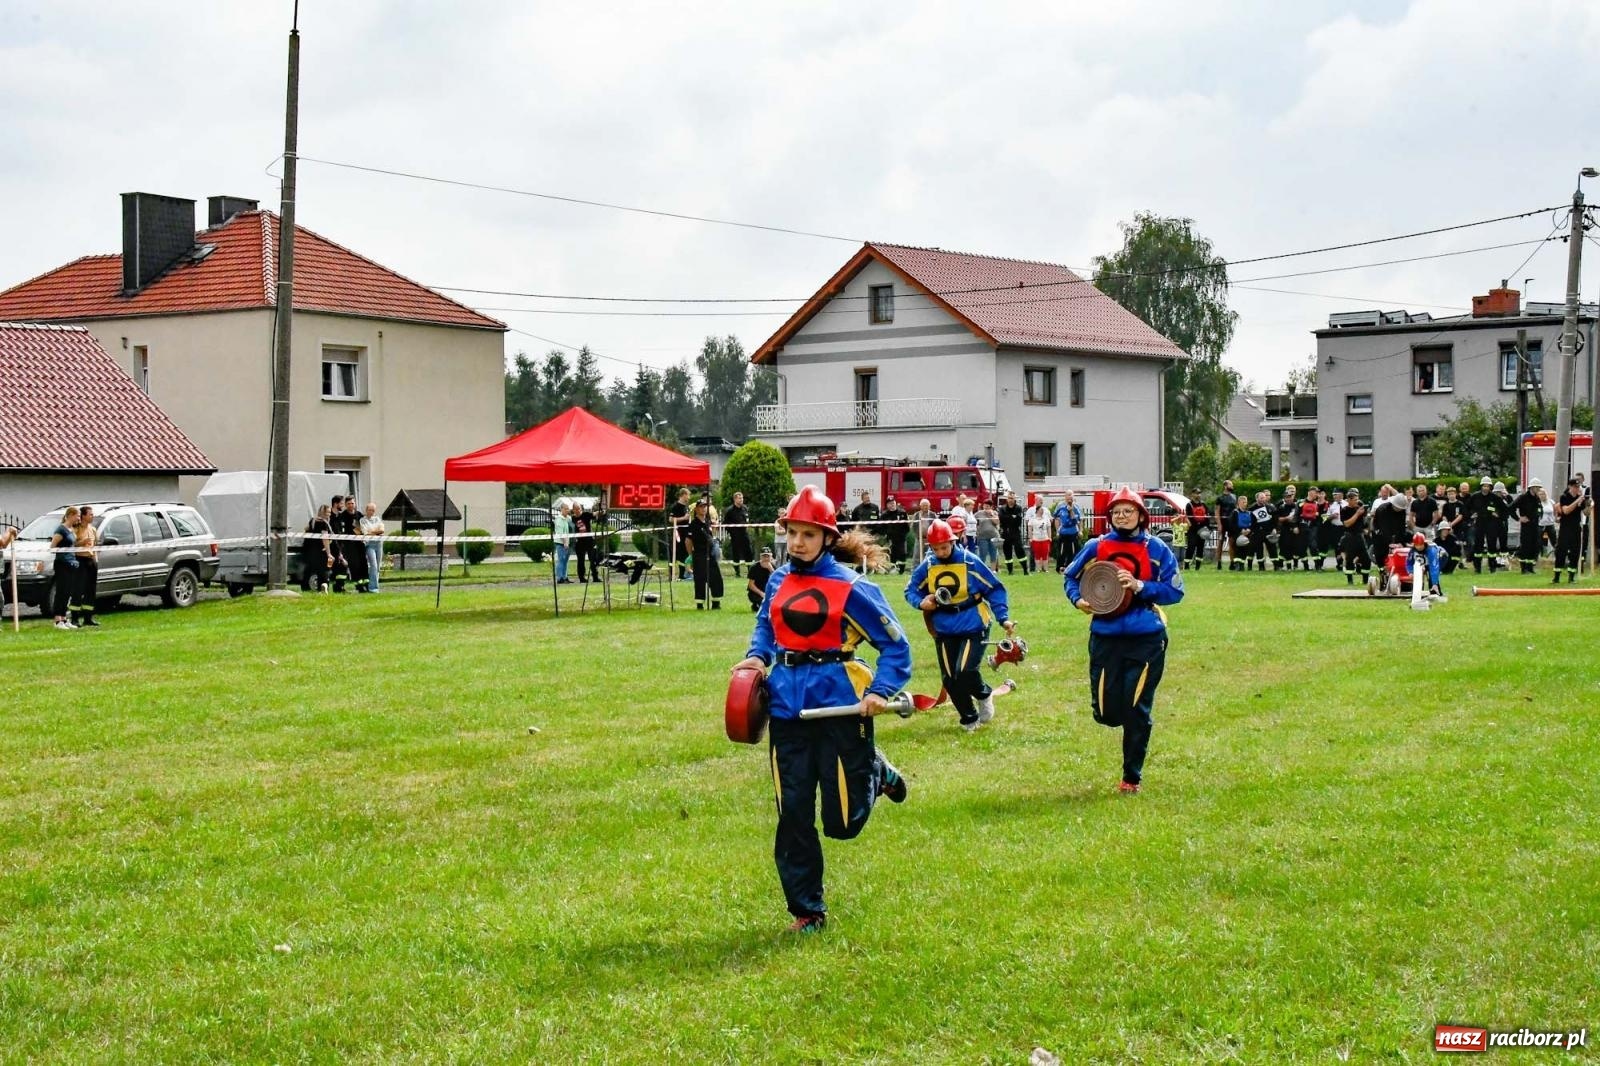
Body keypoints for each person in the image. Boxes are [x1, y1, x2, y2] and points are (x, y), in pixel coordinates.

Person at [730, 485, 911, 934]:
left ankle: (875, 771)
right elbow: (765, 627)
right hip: (787, 710)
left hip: (842, 710)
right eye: (792, 532)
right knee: (793, 813)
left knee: (843, 823)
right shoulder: (777, 580)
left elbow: (896, 646)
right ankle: (808, 911)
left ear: (828, 537)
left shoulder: (853, 589)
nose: (796, 543)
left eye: (808, 534)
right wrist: (757, 657)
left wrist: (881, 690)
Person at [1064, 487, 1184, 794]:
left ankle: (1132, 777)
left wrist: (1140, 585)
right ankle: (1120, 724)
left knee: (1136, 708)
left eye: (1128, 510)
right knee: (1106, 713)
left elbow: (1175, 591)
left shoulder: (1157, 548)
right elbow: (1070, 577)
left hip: (1146, 639)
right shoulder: (1096, 546)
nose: (1122, 516)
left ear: (1141, 515)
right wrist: (1078, 599)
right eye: (1117, 511)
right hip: (1104, 637)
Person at [905, 517, 1016, 732]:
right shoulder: (928, 565)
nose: (940, 553)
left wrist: (1003, 618)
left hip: (974, 624)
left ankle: (983, 694)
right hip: (944, 628)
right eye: (935, 549)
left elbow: (994, 588)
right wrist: (921, 602)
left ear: (953, 542)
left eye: (944, 547)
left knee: (964, 671)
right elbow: (910, 590)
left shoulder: (970, 561)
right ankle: (969, 718)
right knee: (950, 678)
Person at [685, 497, 724, 609]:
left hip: (710, 554)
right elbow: (688, 541)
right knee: (700, 579)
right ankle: (700, 603)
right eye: (701, 507)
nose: (704, 509)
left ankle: (716, 602)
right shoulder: (694, 525)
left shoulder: (707, 522)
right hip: (699, 554)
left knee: (715, 577)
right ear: (696, 509)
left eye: (705, 507)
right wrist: (690, 555)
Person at [69, 504, 102, 627]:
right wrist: (81, 542)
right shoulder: (76, 529)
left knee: (90, 590)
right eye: (90, 514)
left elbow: (95, 546)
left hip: (90, 561)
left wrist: (95, 560)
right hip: (79, 560)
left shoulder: (93, 529)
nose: (92, 516)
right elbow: (71, 545)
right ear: (83, 516)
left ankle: (88, 617)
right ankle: (75, 619)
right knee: (77, 590)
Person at [1553, 476, 1591, 583]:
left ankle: (1571, 576)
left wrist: (1588, 505)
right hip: (1565, 528)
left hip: (1575, 528)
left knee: (1575, 552)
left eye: (1578, 487)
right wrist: (1577, 501)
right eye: (1575, 486)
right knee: (1561, 551)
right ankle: (1556, 576)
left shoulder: (1580, 497)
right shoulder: (1564, 497)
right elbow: (1566, 511)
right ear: (1570, 486)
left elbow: (1585, 513)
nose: (1577, 489)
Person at [48, 506, 80, 629]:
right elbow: (53, 546)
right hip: (62, 564)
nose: (78, 518)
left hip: (72, 564)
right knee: (61, 592)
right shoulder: (61, 530)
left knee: (68, 592)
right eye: (77, 515)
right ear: (71, 515)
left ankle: (64, 618)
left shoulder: (72, 529)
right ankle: (57, 620)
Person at [1339, 488, 1371, 586]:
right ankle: (1350, 581)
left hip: (1359, 536)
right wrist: (1357, 514)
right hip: (1350, 537)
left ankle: (1365, 580)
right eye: (1355, 500)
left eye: (1357, 499)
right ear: (1349, 500)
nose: (1357, 501)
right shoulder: (1344, 510)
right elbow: (1347, 524)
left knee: (1366, 559)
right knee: (1349, 559)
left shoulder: (1359, 507)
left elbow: (1364, 521)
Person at [1512, 478, 1543, 574]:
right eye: (1537, 487)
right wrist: (1518, 518)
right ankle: (1523, 568)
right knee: (1526, 546)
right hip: (1526, 526)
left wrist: (1540, 514)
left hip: (1535, 525)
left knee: (1534, 546)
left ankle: (1530, 567)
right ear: (1532, 487)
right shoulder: (1523, 497)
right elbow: (1511, 508)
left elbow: (1540, 509)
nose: (1538, 489)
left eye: (1539, 487)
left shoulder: (1537, 498)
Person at [301, 504, 333, 592]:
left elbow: (306, 529)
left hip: (309, 549)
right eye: (328, 512)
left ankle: (305, 587)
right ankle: (322, 586)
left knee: (309, 569)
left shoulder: (312, 520)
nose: (329, 514)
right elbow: (325, 538)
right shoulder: (323, 523)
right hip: (320, 550)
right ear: (323, 513)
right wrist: (328, 553)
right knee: (323, 570)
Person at [724, 491, 753, 577]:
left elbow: (747, 519)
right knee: (736, 553)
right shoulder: (730, 511)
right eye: (739, 498)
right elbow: (725, 524)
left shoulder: (745, 508)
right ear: (735, 499)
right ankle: (737, 572)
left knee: (748, 552)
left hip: (744, 534)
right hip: (735, 536)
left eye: (742, 498)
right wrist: (732, 532)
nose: (741, 500)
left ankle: (749, 571)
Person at [342, 496, 369, 592]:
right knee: (355, 565)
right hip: (349, 545)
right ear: (345, 505)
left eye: (352, 503)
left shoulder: (359, 515)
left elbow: (364, 528)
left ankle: (366, 584)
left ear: (355, 504)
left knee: (363, 563)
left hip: (360, 543)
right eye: (348, 504)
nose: (350, 505)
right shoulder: (343, 516)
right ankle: (359, 586)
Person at [997, 491, 1027, 574]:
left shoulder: (1018, 508)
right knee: (1007, 552)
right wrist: (1012, 517)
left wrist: (1009, 518)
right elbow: (1002, 518)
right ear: (1007, 499)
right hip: (1005, 533)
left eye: (1012, 498)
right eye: (1009, 498)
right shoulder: (1002, 508)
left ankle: (1025, 570)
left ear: (1015, 499)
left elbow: (1018, 520)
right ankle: (1010, 571)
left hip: (1015, 532)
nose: (1011, 500)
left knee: (1019, 550)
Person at [1052, 492, 1082, 572]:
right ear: (1065, 497)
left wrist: (1080, 531)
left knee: (1073, 551)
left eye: (1071, 495)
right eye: (1068, 495)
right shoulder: (1060, 506)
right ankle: (1060, 567)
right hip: (1063, 532)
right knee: (1062, 550)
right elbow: (1056, 518)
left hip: (1073, 532)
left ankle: (1071, 567)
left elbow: (1078, 520)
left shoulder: (1076, 507)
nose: (1070, 497)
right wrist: (1057, 530)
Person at [879, 496, 910, 574]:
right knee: (891, 554)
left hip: (901, 539)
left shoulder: (902, 513)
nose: (891, 505)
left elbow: (906, 526)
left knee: (902, 554)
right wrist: (885, 534)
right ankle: (892, 569)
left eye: (893, 503)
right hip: (890, 539)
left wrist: (903, 535)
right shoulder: (884, 515)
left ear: (895, 503)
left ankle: (901, 571)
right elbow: (881, 527)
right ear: (887, 505)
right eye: (889, 503)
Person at [360, 502, 385, 593]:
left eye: (373, 510)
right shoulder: (363, 520)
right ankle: (373, 588)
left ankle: (375, 585)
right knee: (373, 565)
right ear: (366, 510)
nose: (371, 512)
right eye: (369, 510)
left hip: (379, 544)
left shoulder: (378, 519)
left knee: (378, 566)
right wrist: (376, 532)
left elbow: (382, 530)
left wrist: (373, 531)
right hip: (370, 545)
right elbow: (365, 532)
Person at [668, 488, 692, 579]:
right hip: (677, 534)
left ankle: (682, 575)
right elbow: (670, 519)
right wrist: (683, 518)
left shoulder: (686, 507)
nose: (689, 498)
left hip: (685, 534)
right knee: (674, 554)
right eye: (688, 495)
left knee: (684, 554)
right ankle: (671, 575)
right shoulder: (675, 506)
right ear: (683, 495)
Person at [1214, 480, 1237, 571]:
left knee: (1232, 542)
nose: (1232, 486)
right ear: (1225, 486)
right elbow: (1217, 511)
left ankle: (1232, 563)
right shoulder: (1220, 498)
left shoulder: (1234, 497)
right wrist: (1219, 524)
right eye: (1230, 484)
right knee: (1220, 542)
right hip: (1223, 522)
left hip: (1231, 523)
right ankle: (1219, 562)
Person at [745, 545, 775, 611]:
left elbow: (778, 581)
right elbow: (751, 585)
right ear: (760, 557)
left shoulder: (773, 567)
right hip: (756, 593)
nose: (766, 558)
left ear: (771, 557)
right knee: (764, 603)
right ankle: (756, 605)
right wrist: (761, 594)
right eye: (764, 556)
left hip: (769, 592)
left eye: (768, 556)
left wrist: (771, 569)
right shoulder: (754, 567)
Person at [1026, 500, 1053, 573]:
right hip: (1036, 539)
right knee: (1037, 554)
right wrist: (1030, 538)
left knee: (1045, 554)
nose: (1042, 511)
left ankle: (1045, 568)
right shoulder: (1032, 519)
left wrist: (1050, 537)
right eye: (1041, 509)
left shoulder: (1046, 519)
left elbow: (1049, 528)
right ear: (1037, 510)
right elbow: (1029, 529)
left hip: (1045, 539)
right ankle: (1038, 569)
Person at [572, 502, 597, 583]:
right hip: (579, 542)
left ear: (581, 509)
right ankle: (582, 578)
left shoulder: (586, 515)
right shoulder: (572, 519)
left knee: (593, 559)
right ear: (573, 510)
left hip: (589, 541)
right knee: (581, 560)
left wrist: (601, 512)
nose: (578, 511)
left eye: (579, 509)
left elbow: (594, 514)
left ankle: (595, 577)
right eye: (576, 509)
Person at [973, 500, 1001, 568]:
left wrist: (991, 515)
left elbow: (996, 522)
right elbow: (973, 520)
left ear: (991, 507)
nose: (985, 508)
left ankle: (993, 570)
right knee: (983, 553)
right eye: (984, 506)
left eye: (987, 506)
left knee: (993, 553)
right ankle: (982, 569)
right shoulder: (978, 513)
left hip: (993, 536)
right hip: (982, 536)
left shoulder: (994, 513)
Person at [552, 503, 573, 584]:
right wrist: (565, 543)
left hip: (567, 542)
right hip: (560, 543)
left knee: (565, 561)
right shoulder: (559, 519)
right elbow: (560, 533)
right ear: (562, 509)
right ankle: (559, 578)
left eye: (568, 509)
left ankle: (565, 577)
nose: (567, 510)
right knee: (561, 560)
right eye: (566, 509)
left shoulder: (567, 518)